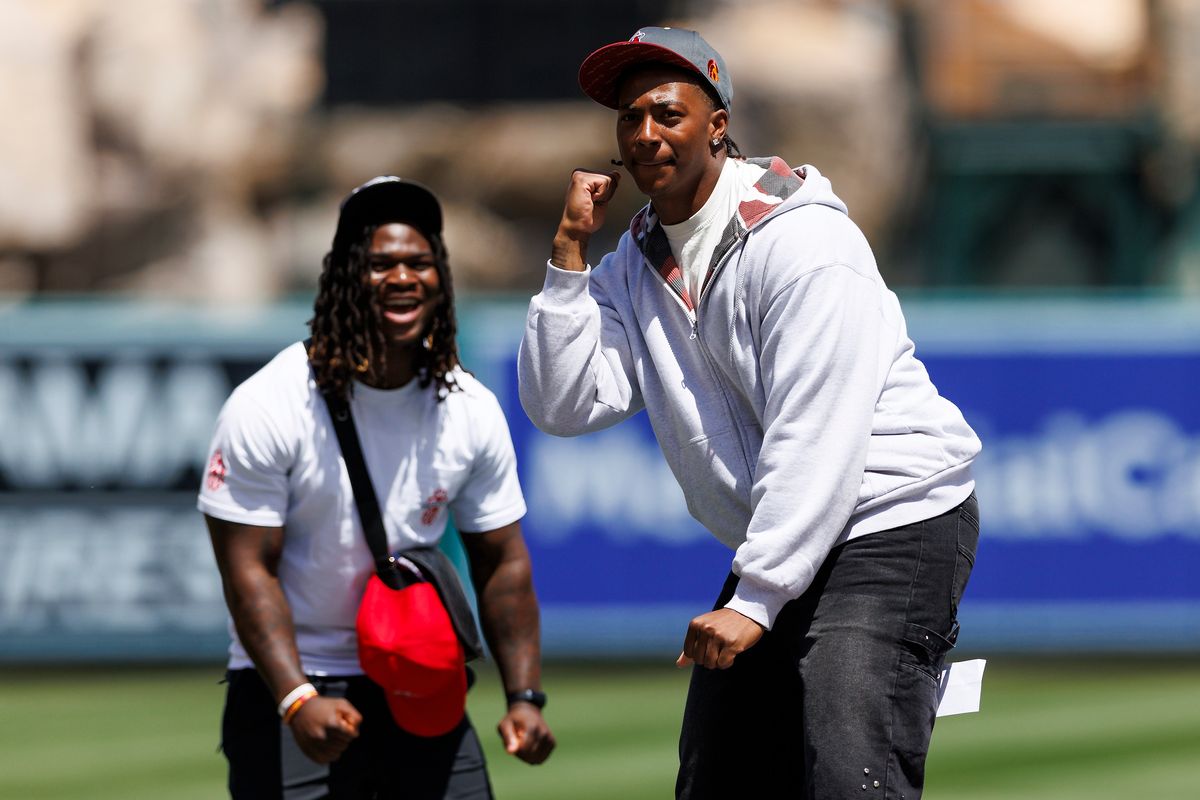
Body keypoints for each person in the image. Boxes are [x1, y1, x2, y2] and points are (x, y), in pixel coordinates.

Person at [518, 26, 981, 800]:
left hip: (890, 521)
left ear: (719, 125)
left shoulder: (802, 239)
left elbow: (819, 427)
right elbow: (564, 403)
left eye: (667, 113)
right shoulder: (635, 258)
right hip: (790, 531)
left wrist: (756, 598)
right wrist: (569, 254)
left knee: (848, 774)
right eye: (629, 118)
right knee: (717, 779)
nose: (644, 134)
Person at [200, 176, 555, 799]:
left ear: (440, 278)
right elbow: (248, 570)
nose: (402, 278)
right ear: (342, 277)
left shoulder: (468, 407)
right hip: (295, 685)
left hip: (420, 681)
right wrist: (294, 698)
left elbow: (502, 561)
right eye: (380, 264)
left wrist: (524, 696)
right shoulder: (268, 404)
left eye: (419, 262)